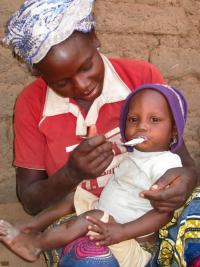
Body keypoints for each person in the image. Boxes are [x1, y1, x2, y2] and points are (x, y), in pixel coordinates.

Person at [1, 0, 197, 266]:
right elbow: (31, 202)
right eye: (61, 81)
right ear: (40, 73)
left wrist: (185, 180)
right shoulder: (31, 103)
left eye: (86, 67)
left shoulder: (141, 78)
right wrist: (73, 173)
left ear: (95, 39)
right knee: (91, 260)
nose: (82, 86)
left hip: (149, 215)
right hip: (82, 218)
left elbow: (182, 162)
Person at [0, 84, 191, 267]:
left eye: (154, 120)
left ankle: (36, 245)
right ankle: (28, 227)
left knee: (91, 217)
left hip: (129, 240)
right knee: (74, 195)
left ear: (174, 130)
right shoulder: (136, 154)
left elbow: (163, 215)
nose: (142, 126)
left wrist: (122, 231)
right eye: (133, 119)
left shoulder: (166, 164)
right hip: (107, 216)